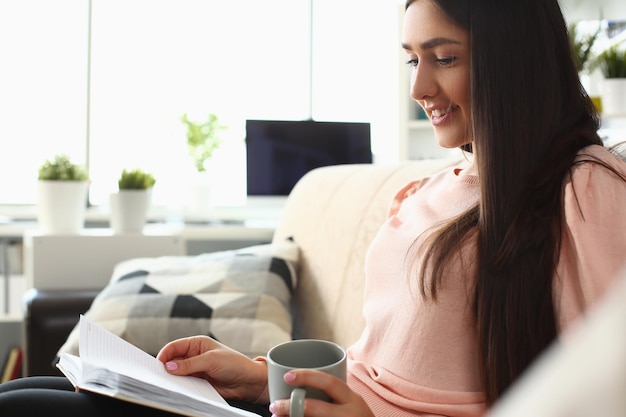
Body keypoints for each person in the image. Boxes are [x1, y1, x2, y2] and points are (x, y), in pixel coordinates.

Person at [2, 0, 626, 416]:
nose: (418, 88)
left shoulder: (586, 189)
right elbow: (370, 367)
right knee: (33, 391)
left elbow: (596, 395)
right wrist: (254, 374)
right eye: (412, 59)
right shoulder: (430, 192)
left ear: (514, 61)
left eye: (444, 57)